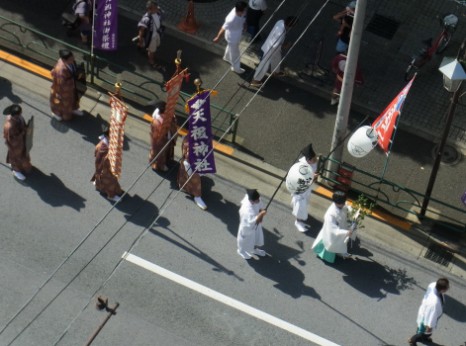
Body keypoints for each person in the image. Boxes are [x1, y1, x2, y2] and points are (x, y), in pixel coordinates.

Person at [249, 16, 297, 88]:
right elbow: (276, 45)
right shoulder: (281, 32)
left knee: (277, 58)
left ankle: (275, 72)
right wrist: (286, 45)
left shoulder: (280, 21)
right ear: (292, 26)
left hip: (271, 46)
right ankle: (255, 81)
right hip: (271, 49)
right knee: (264, 65)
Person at [312, 191, 353, 263]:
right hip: (333, 232)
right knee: (330, 243)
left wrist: (352, 210)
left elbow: (346, 206)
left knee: (340, 242)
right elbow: (333, 230)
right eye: (343, 202)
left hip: (340, 228)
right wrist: (346, 232)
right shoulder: (330, 214)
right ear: (338, 202)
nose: (344, 204)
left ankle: (341, 252)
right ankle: (336, 253)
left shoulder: (340, 205)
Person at [408, 278, 450, 346]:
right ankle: (412, 340)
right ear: (442, 290)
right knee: (424, 332)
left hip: (425, 310)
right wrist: (429, 329)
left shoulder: (433, 285)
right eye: (447, 287)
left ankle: (423, 338)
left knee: (423, 332)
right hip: (426, 317)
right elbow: (431, 318)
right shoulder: (434, 303)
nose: (448, 288)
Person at [213, 1, 248, 74]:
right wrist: (217, 37)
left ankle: (227, 57)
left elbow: (243, 19)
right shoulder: (231, 19)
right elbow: (223, 28)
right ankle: (236, 68)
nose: (246, 11)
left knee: (230, 48)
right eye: (244, 10)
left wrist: (244, 25)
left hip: (236, 35)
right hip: (233, 38)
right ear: (239, 11)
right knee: (235, 54)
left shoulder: (240, 12)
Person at [290, 144, 318, 233]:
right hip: (300, 191)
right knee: (300, 207)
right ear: (308, 160)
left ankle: (301, 218)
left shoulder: (313, 163)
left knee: (304, 205)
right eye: (313, 159)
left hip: (306, 190)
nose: (315, 161)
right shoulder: (301, 167)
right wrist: (312, 177)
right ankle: (298, 222)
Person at [91, 126, 124, 202]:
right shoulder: (103, 148)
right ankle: (111, 196)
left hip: (104, 167)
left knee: (107, 179)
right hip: (105, 169)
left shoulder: (105, 143)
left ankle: (99, 185)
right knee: (110, 182)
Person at [50, 49, 84, 121]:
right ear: (64, 60)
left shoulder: (70, 62)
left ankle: (74, 109)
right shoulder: (60, 69)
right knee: (61, 102)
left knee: (73, 99)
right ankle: (57, 113)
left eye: (72, 57)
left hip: (71, 87)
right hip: (63, 90)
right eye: (71, 59)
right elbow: (60, 83)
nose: (73, 59)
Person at [177, 135, 207, 210]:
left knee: (191, 174)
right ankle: (197, 196)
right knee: (194, 176)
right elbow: (186, 154)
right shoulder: (188, 142)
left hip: (195, 155)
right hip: (190, 161)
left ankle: (185, 186)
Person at [3, 104, 32, 181]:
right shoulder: (9, 126)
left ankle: (24, 166)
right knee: (17, 158)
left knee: (24, 155)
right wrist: (24, 132)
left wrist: (26, 128)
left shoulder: (19, 118)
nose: (21, 114)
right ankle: (16, 171)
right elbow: (13, 139)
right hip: (15, 146)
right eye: (19, 113)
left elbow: (23, 125)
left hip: (22, 142)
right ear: (15, 115)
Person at [237, 189, 267, 259]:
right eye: (257, 200)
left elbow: (260, 207)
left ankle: (254, 249)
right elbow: (252, 221)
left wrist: (261, 214)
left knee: (257, 237)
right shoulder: (246, 209)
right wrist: (261, 214)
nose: (259, 201)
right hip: (247, 226)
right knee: (244, 240)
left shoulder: (256, 199)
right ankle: (241, 251)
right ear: (251, 200)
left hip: (256, 224)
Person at [149, 101, 177, 172]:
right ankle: (159, 165)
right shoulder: (159, 119)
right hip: (161, 137)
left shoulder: (157, 113)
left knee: (160, 150)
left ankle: (159, 161)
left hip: (163, 135)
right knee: (160, 152)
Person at [137, 0, 164, 69]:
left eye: (157, 7)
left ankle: (142, 47)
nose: (157, 8)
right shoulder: (146, 18)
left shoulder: (157, 12)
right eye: (155, 8)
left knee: (156, 45)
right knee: (152, 50)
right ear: (150, 9)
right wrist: (140, 40)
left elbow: (161, 13)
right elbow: (141, 30)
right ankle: (151, 61)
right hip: (151, 37)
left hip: (157, 33)